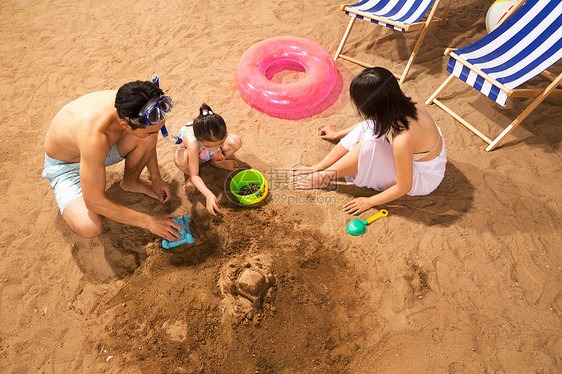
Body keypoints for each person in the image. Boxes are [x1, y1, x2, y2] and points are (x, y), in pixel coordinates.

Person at [290, 67, 446, 215]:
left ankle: (324, 177)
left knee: (371, 143)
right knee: (372, 129)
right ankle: (319, 168)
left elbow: (404, 186)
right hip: (423, 156)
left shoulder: (403, 140)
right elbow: (372, 122)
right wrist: (337, 134)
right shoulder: (406, 105)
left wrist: (370, 202)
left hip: (422, 177)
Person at [42, 81, 183, 241]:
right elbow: (94, 202)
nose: (155, 136)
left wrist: (156, 179)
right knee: (90, 227)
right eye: (151, 132)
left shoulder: (132, 103)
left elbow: (148, 135)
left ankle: (131, 183)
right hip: (66, 165)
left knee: (145, 138)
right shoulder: (94, 136)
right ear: (125, 125)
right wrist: (149, 222)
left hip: (98, 151)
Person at [174, 104, 242, 216]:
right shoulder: (193, 142)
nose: (215, 148)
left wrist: (214, 151)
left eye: (219, 144)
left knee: (236, 141)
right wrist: (208, 194)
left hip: (207, 154)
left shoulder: (217, 129)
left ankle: (216, 162)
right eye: (209, 146)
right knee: (180, 158)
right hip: (194, 156)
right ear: (198, 140)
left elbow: (217, 144)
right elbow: (196, 175)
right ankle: (189, 174)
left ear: (224, 136)